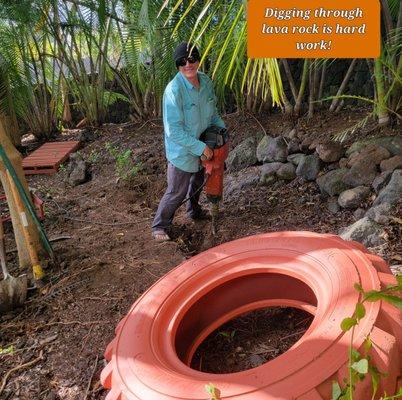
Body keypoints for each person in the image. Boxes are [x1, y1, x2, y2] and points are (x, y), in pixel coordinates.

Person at [152, 42, 226, 242]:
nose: (188, 64)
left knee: (197, 184)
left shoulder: (206, 82)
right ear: (177, 65)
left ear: (198, 60)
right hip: (183, 152)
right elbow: (173, 130)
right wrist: (200, 148)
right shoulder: (173, 91)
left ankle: (194, 211)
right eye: (182, 61)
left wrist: (222, 130)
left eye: (192, 59)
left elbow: (213, 113)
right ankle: (160, 226)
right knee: (177, 192)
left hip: (205, 146)